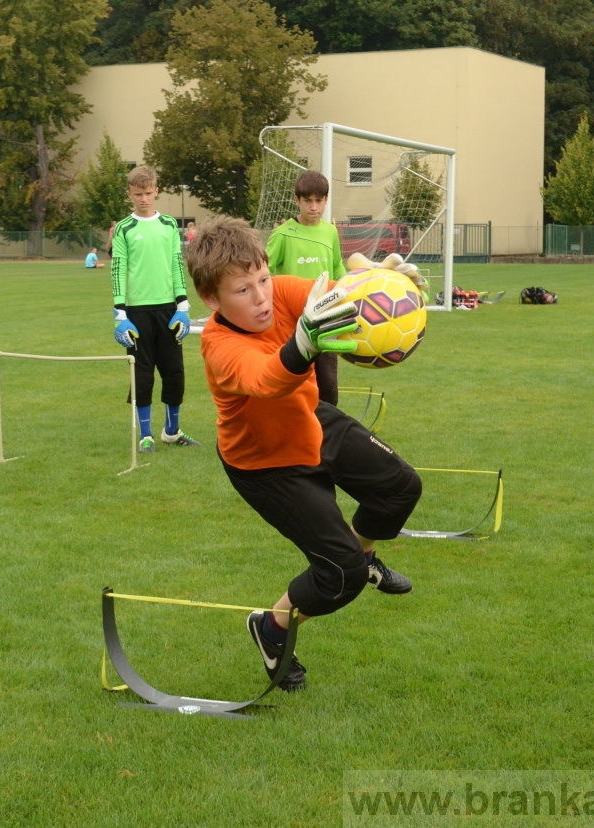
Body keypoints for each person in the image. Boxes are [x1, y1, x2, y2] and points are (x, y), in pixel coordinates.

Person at [185, 216, 421, 692]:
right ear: (211, 299)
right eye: (242, 291)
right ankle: (271, 628)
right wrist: (304, 340)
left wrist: (383, 282)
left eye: (263, 280)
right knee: (340, 577)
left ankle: (366, 553)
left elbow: (344, 292)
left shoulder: (283, 291)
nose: (261, 297)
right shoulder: (220, 347)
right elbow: (268, 378)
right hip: (267, 464)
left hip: (311, 420)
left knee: (400, 488)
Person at [110, 166, 200, 453]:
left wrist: (183, 306)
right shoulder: (124, 228)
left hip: (168, 310)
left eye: (148, 193)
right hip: (136, 312)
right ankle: (145, 435)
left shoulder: (170, 225)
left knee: (174, 372)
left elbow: (176, 263)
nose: (144, 199)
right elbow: (118, 269)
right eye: (138, 194)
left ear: (156, 191)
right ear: (130, 195)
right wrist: (120, 314)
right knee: (143, 374)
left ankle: (172, 432)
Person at [264, 170, 348, 406]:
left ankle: (326, 435)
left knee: (328, 383)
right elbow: (263, 273)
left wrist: (350, 287)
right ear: (296, 201)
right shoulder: (282, 234)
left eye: (318, 201)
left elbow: (337, 266)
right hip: (292, 322)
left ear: (326, 200)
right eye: (307, 201)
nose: (313, 207)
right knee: (296, 382)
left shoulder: (330, 231)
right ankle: (296, 432)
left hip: (326, 317)